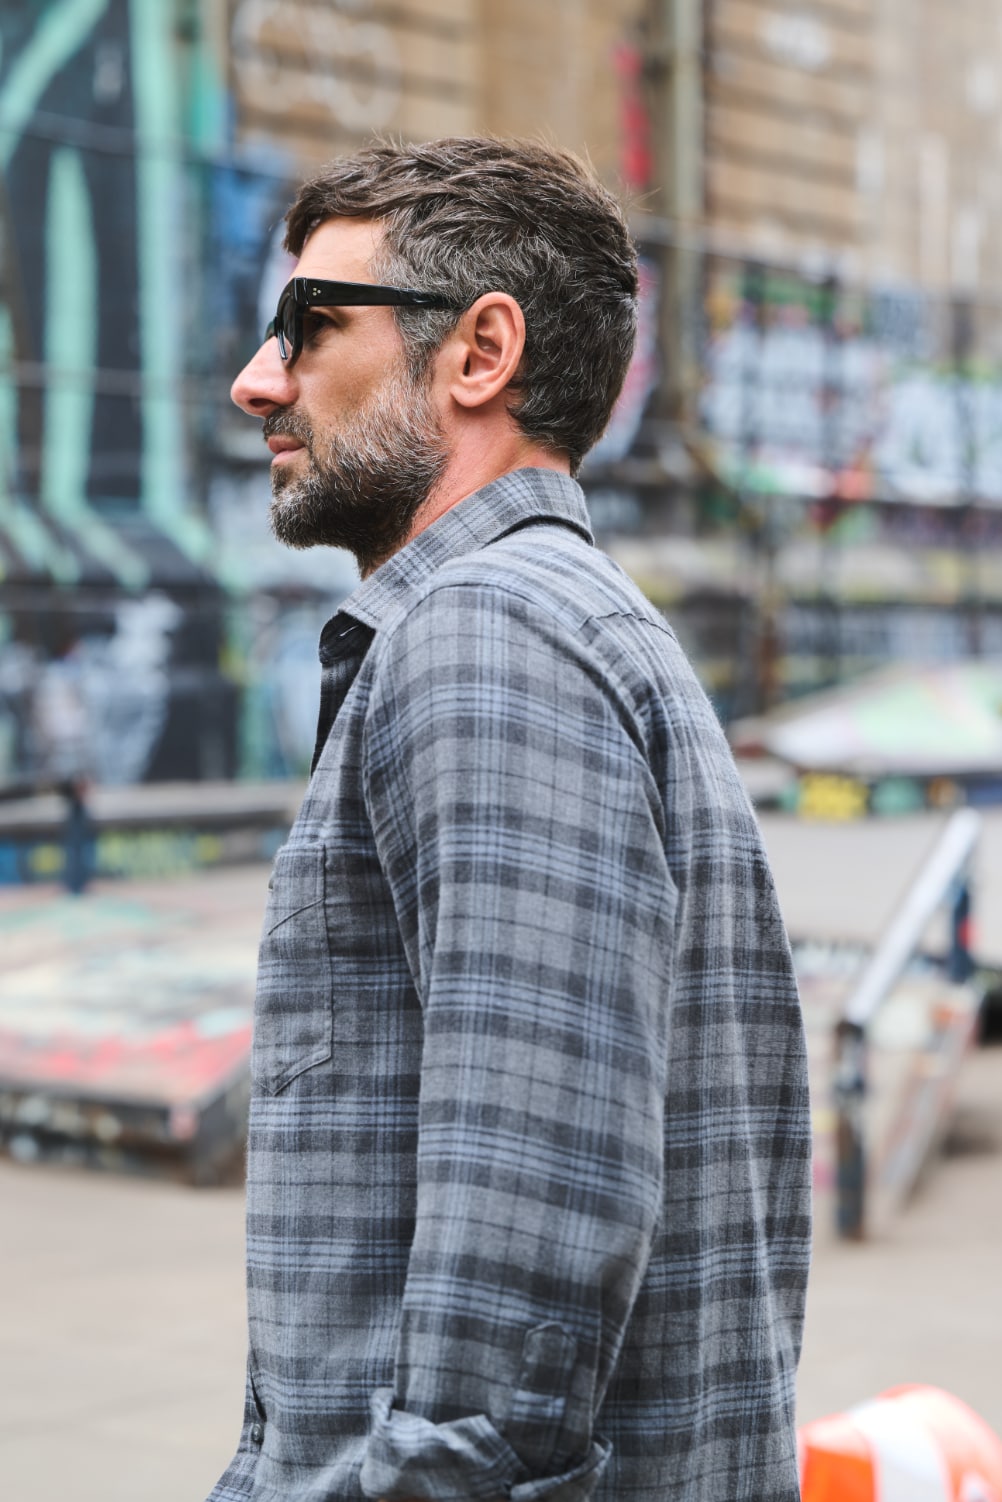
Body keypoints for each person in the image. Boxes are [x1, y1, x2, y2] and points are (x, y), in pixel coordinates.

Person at [210, 136, 812, 1502]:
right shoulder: (565, 624)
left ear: (477, 352)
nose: (257, 380)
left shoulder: (487, 637)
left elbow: (527, 1243)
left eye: (310, 325)